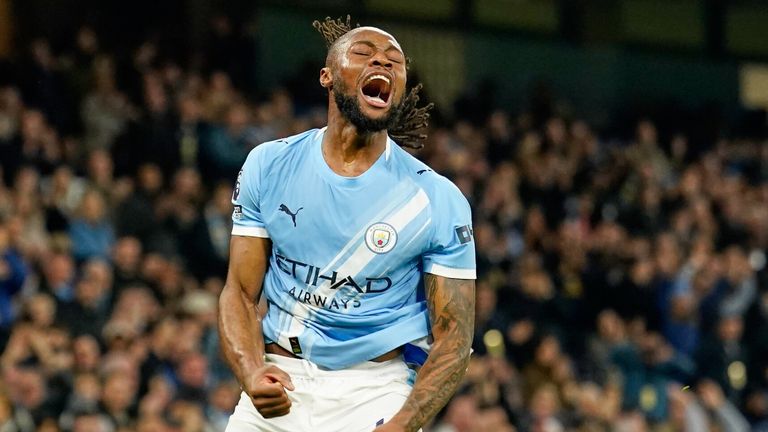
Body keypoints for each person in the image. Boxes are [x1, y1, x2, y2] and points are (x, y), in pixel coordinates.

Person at [218, 16, 476, 432]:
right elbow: (240, 292)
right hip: (282, 380)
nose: (384, 63)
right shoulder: (268, 165)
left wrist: (403, 423)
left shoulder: (437, 200)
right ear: (327, 76)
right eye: (363, 54)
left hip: (376, 391)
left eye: (395, 61)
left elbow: (454, 338)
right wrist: (250, 371)